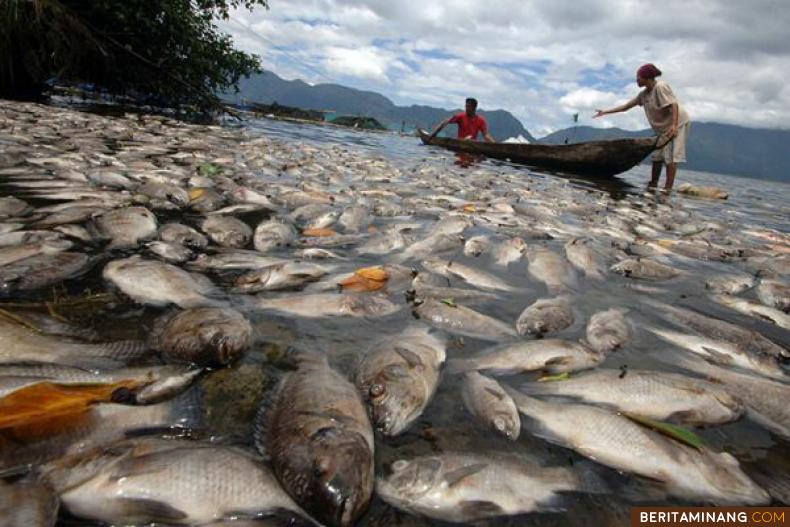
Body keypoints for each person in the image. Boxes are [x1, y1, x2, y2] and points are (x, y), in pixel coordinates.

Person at [593, 64, 690, 191]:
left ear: (647, 77)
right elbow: (625, 107)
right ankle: (653, 184)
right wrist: (605, 112)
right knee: (657, 155)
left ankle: (667, 189)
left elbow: (674, 105)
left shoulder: (660, 87)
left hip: (678, 122)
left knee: (670, 156)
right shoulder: (643, 95)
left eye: (638, 78)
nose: (637, 80)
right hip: (663, 128)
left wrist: (674, 125)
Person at [428, 97, 495, 143]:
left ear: (474, 108)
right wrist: (433, 134)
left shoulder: (481, 120)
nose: (466, 108)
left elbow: (486, 135)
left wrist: (495, 145)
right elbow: (445, 122)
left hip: (472, 144)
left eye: (468, 106)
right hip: (461, 143)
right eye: (466, 106)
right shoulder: (461, 116)